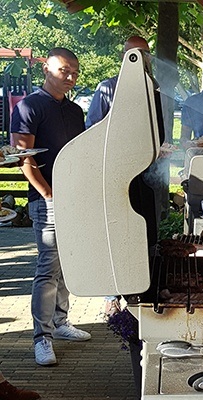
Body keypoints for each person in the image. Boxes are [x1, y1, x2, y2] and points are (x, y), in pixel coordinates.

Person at [10, 48, 91, 367]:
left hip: (75, 198)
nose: (70, 76)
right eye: (63, 70)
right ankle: (40, 338)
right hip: (47, 200)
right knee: (47, 267)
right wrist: (47, 193)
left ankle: (61, 323)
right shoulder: (29, 106)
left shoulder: (74, 111)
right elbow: (21, 156)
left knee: (67, 264)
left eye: (74, 72)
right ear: (46, 68)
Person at [84, 35, 152, 317]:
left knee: (141, 230)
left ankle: (138, 289)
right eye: (134, 54)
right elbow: (91, 129)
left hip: (145, 172)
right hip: (113, 173)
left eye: (144, 54)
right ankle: (111, 296)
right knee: (114, 230)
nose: (141, 59)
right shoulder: (107, 88)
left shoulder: (153, 88)